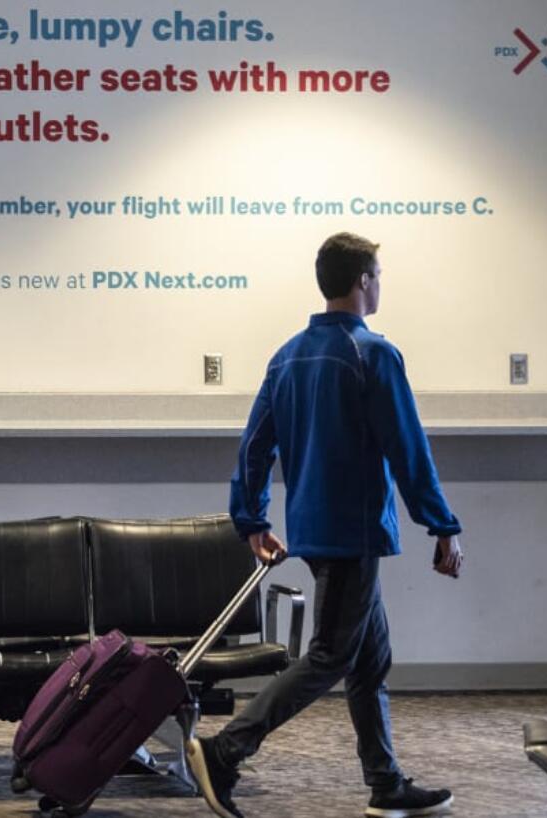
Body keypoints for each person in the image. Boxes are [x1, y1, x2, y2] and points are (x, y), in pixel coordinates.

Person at [186, 232, 464, 818]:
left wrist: (252, 519)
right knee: (331, 656)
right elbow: (408, 449)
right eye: (379, 274)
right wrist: (441, 525)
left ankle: (385, 784)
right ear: (363, 281)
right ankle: (225, 751)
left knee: (368, 661)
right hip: (355, 529)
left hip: (313, 528)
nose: (381, 283)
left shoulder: (286, 356)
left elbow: (255, 447)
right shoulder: (374, 354)